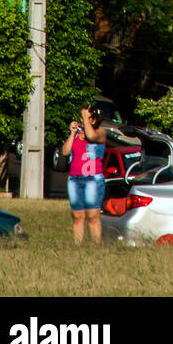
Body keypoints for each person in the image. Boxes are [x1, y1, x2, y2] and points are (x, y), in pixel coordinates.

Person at [62, 104, 107, 244]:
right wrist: (72, 133)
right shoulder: (78, 135)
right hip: (75, 179)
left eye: (88, 118)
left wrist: (86, 118)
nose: (84, 120)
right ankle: (78, 246)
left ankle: (95, 245)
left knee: (93, 216)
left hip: (92, 179)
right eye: (83, 118)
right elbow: (65, 151)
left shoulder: (100, 132)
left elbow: (92, 136)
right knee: (77, 216)